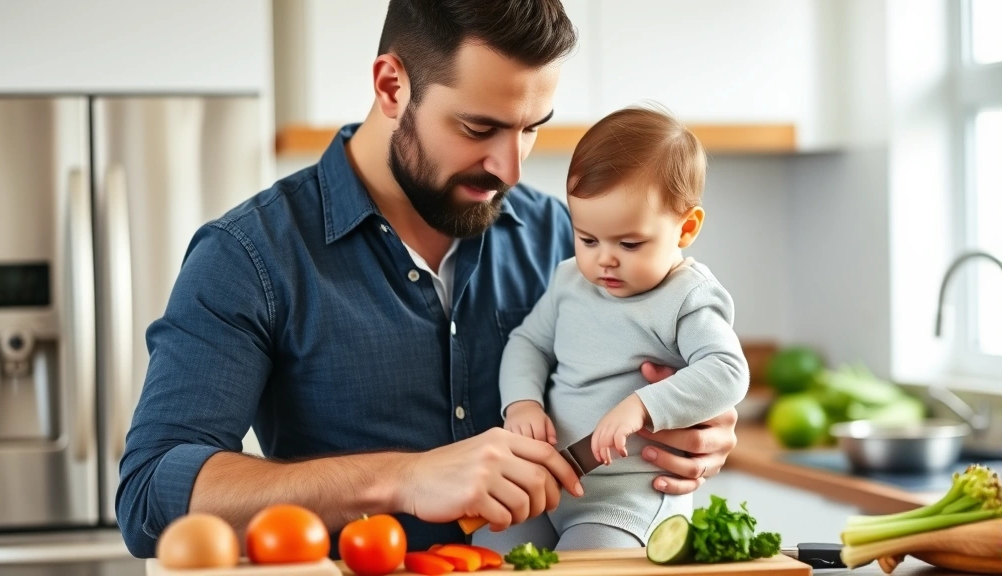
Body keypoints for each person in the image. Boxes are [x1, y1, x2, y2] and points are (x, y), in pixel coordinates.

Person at [116, 0, 739, 558]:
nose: (511, 168)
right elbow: (150, 494)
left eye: (531, 127)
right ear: (392, 86)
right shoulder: (250, 257)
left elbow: (683, 372)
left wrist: (696, 430)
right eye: (478, 128)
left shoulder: (567, 242)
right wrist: (402, 478)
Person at [473, 106, 749, 552]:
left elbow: (728, 370)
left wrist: (641, 406)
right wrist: (521, 403)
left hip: (627, 503)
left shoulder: (688, 297)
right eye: (587, 239)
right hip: (547, 488)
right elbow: (528, 343)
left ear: (686, 227)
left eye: (629, 243)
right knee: (487, 550)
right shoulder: (569, 281)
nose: (604, 259)